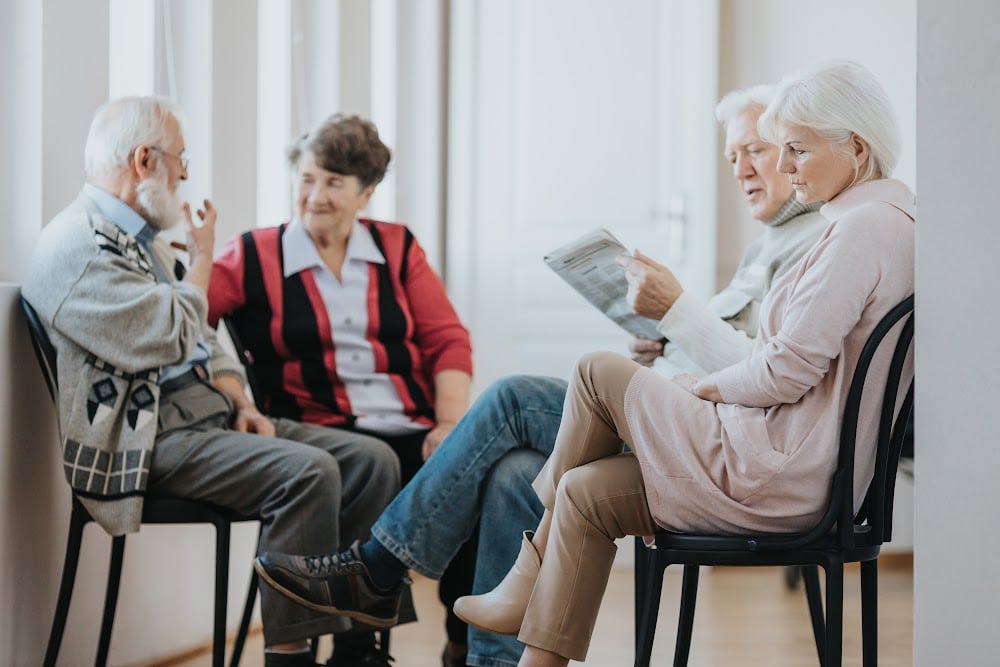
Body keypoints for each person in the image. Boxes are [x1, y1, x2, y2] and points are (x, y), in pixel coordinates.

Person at [248, 81, 827, 667]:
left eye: (755, 151)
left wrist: (677, 309)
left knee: (513, 400)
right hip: (682, 420)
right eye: (732, 156)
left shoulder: (814, 245)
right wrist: (667, 342)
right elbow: (738, 354)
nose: (741, 169)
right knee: (516, 472)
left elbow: (768, 375)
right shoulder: (768, 244)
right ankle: (491, 660)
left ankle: (379, 569)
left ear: (793, 150)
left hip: (710, 441)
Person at [458, 59, 915, 665]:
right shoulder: (889, 224)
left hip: (781, 473)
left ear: (855, 147)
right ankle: (531, 630)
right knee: (585, 491)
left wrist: (704, 389)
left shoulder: (861, 233)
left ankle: (526, 575)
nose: (783, 167)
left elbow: (783, 371)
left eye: (796, 150)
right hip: (801, 470)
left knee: (596, 372)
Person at [21, 96, 401, 667]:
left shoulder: (140, 241)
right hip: (147, 437)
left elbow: (207, 340)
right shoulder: (76, 245)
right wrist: (203, 259)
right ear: (145, 160)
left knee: (372, 462)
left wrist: (241, 400)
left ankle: (354, 651)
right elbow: (172, 331)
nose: (185, 175)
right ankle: (290, 659)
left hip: (205, 417)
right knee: (308, 472)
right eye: (181, 160)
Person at [205, 114, 476, 666]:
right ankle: (358, 649)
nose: (316, 195)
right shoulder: (253, 254)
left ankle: (466, 639)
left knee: (478, 475)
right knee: (370, 461)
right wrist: (236, 397)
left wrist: (448, 424)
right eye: (307, 178)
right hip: (314, 429)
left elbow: (447, 340)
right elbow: (188, 322)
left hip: (409, 425)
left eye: (334, 182)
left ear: (366, 192)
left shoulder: (397, 249)